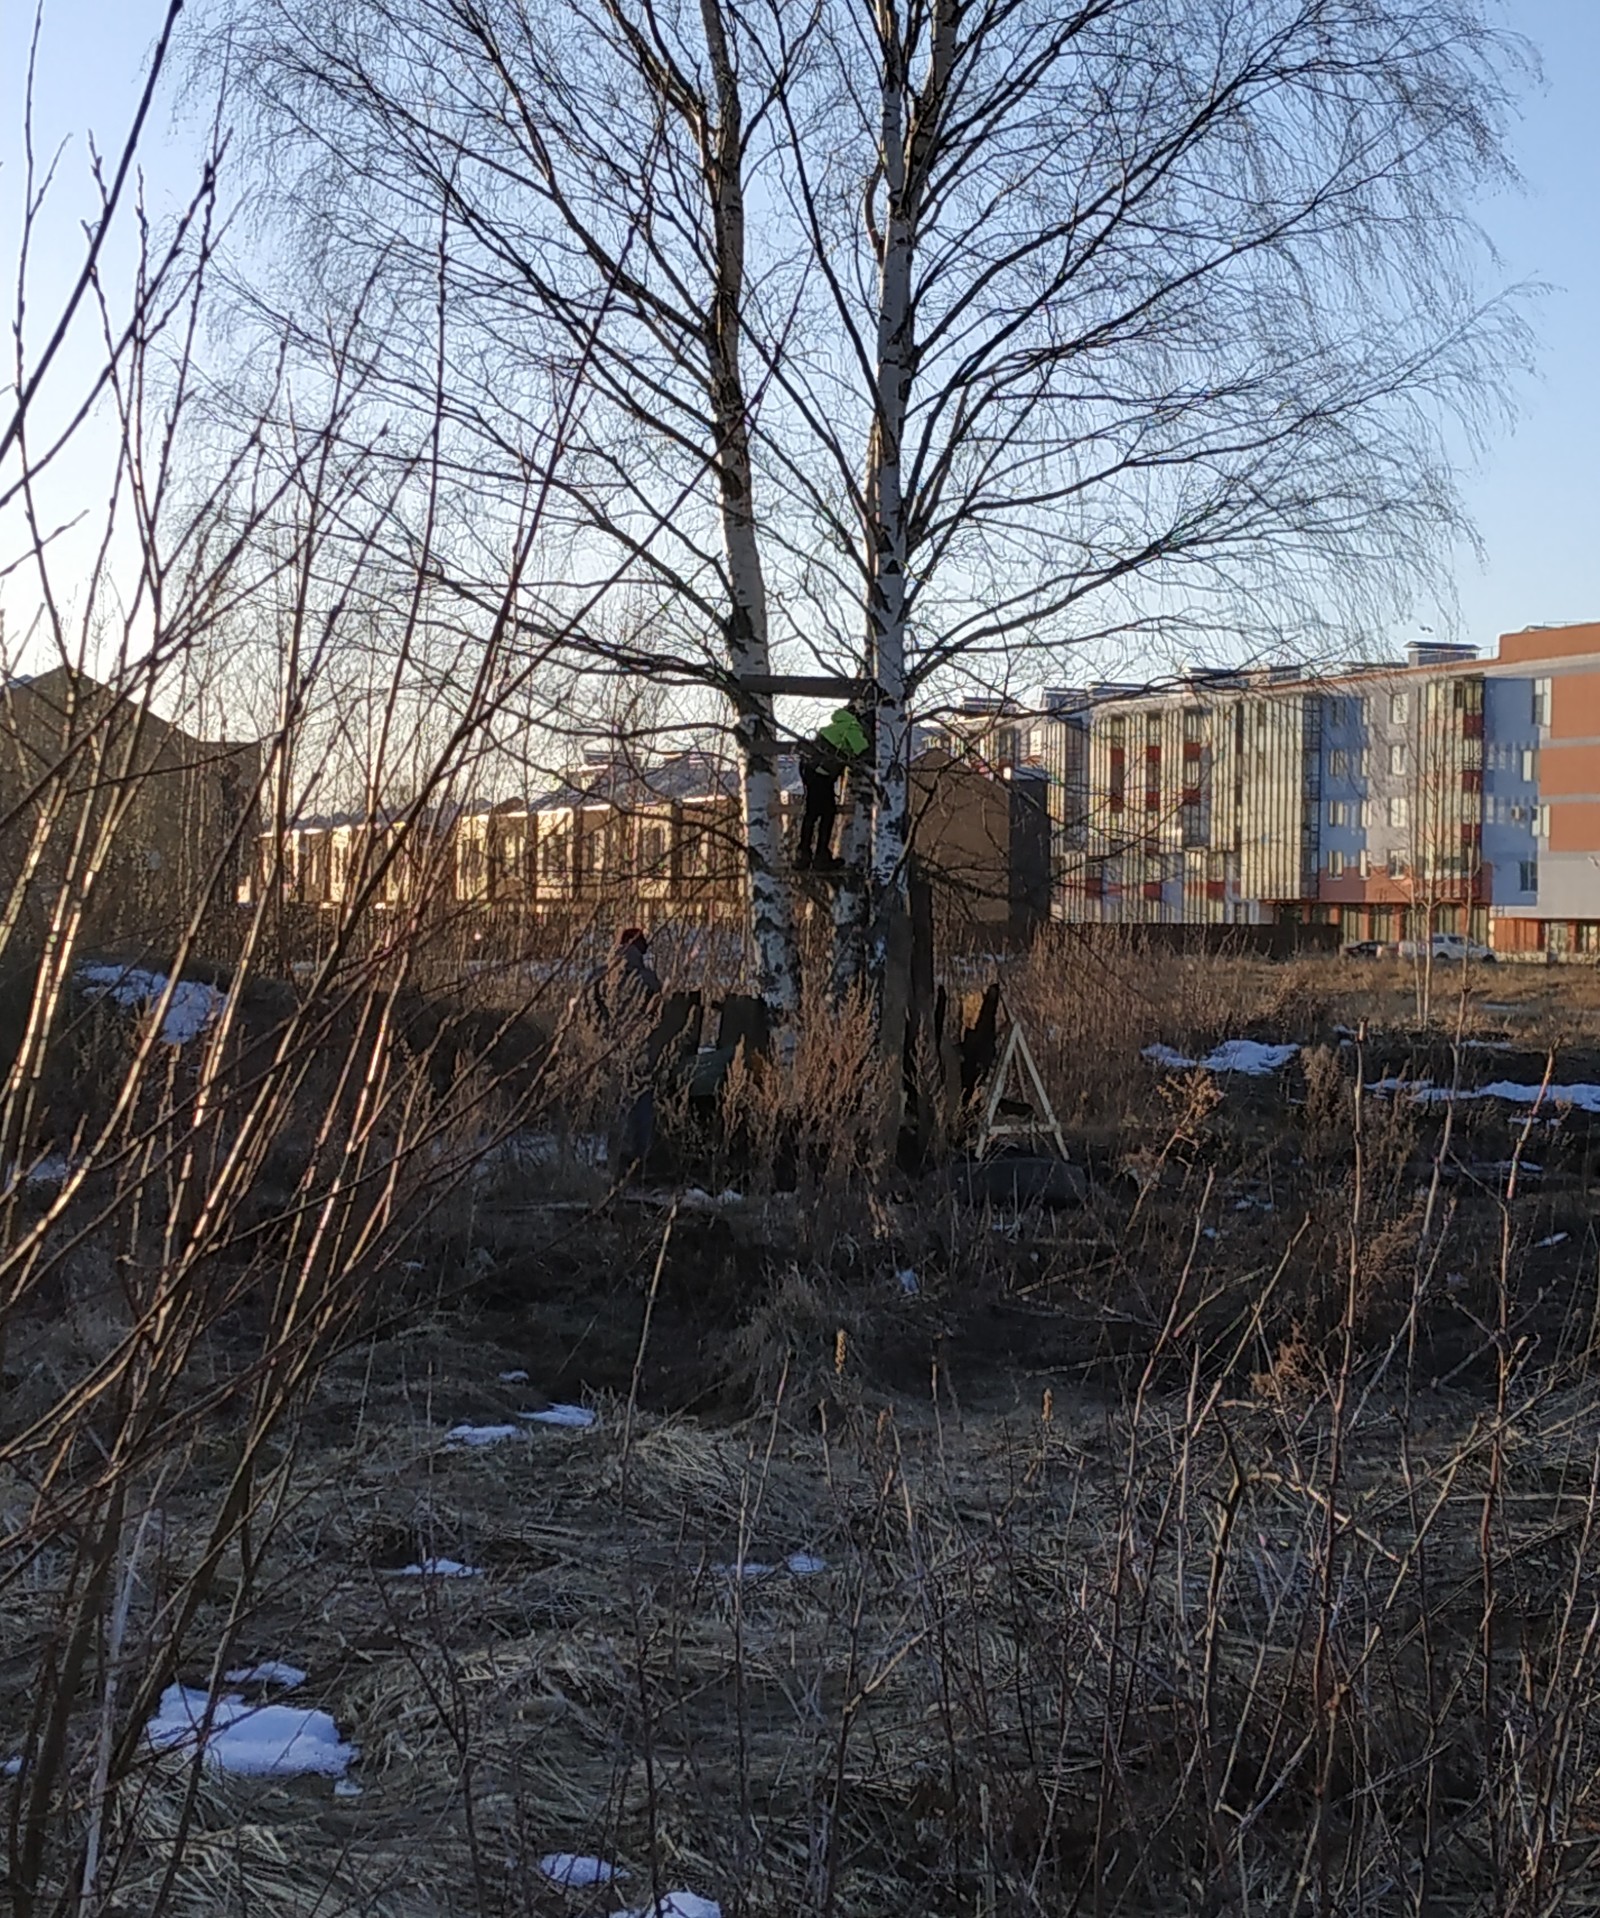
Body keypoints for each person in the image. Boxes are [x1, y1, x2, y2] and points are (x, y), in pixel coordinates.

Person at [586, 927, 663, 1169]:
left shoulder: (598, 975)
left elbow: (588, 1011)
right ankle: (638, 1160)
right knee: (640, 1102)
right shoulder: (648, 979)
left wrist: (600, 1036)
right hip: (640, 1050)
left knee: (611, 1103)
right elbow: (658, 1016)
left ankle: (613, 1157)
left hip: (605, 1050)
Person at [796, 705, 870, 870]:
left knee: (811, 812)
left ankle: (803, 854)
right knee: (827, 813)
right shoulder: (852, 726)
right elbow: (861, 748)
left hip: (808, 769)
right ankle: (821, 855)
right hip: (822, 774)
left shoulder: (836, 723)